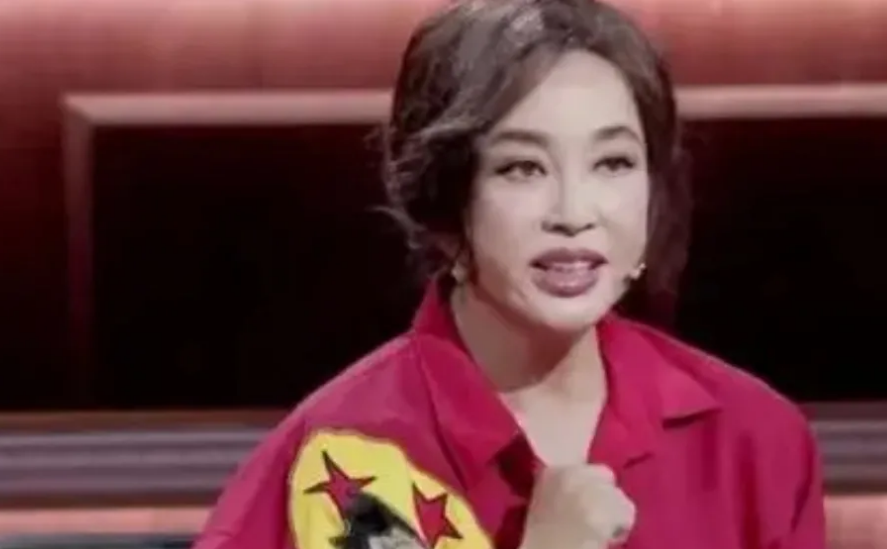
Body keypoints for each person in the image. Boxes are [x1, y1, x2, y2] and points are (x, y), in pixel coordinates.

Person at [194, 1, 826, 548]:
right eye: (522, 168)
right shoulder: (339, 454)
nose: (575, 214)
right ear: (445, 202)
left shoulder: (752, 439)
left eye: (613, 163)